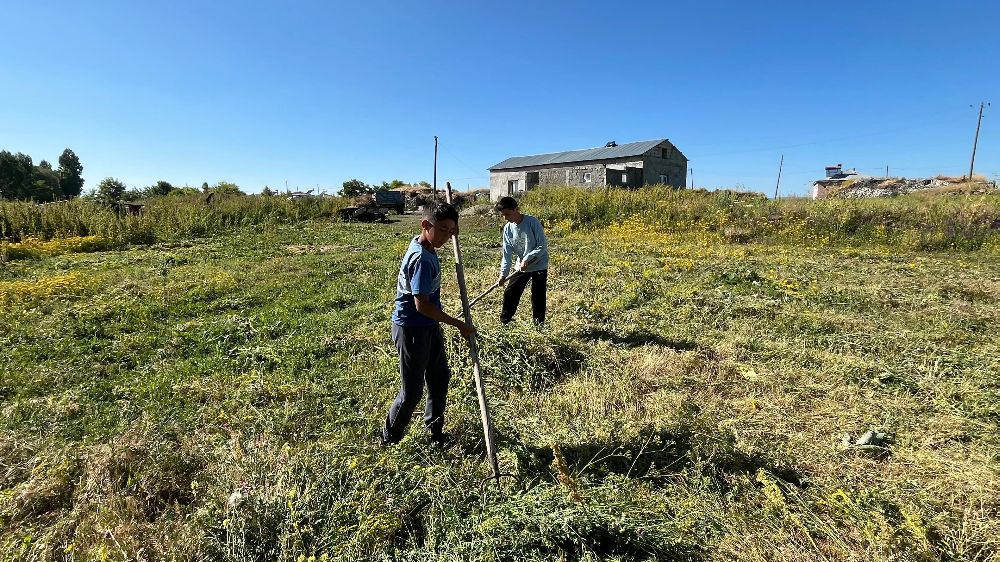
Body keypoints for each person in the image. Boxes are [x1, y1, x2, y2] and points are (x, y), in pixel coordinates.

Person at [381, 202, 475, 445]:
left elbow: (443, 230)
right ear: (425, 225)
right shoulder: (421, 258)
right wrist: (458, 324)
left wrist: (450, 229)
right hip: (412, 329)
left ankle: (435, 432)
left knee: (439, 377)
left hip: (428, 325)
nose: (447, 236)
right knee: (412, 392)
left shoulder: (427, 244)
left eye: (451, 232)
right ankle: (389, 438)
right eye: (442, 230)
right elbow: (421, 305)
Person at [495, 196, 549, 324]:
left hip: (539, 263)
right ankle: (505, 322)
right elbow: (507, 255)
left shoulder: (532, 222)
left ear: (516, 209)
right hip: (521, 266)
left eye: (508, 214)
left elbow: (542, 245)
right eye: (503, 215)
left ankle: (539, 323)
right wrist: (503, 275)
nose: (505, 218)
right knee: (510, 293)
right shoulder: (508, 229)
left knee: (538, 296)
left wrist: (528, 258)